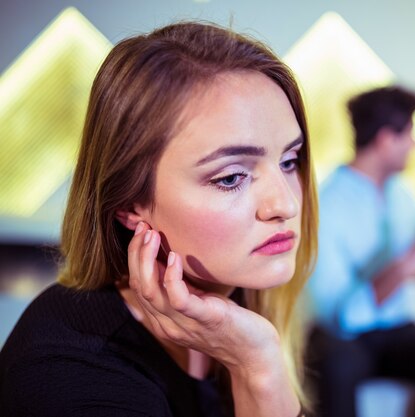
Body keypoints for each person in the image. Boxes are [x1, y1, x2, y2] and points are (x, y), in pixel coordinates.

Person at [0, 22, 318, 417]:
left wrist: (256, 359)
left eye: (289, 161)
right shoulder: (72, 374)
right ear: (131, 205)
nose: (285, 204)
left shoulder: (246, 317)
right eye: (231, 177)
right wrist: (258, 368)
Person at [305, 86, 415, 417]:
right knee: (337, 366)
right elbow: (344, 317)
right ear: (385, 140)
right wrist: (406, 267)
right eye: (409, 135)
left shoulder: (403, 193)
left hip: (398, 331)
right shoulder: (328, 205)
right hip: (345, 336)